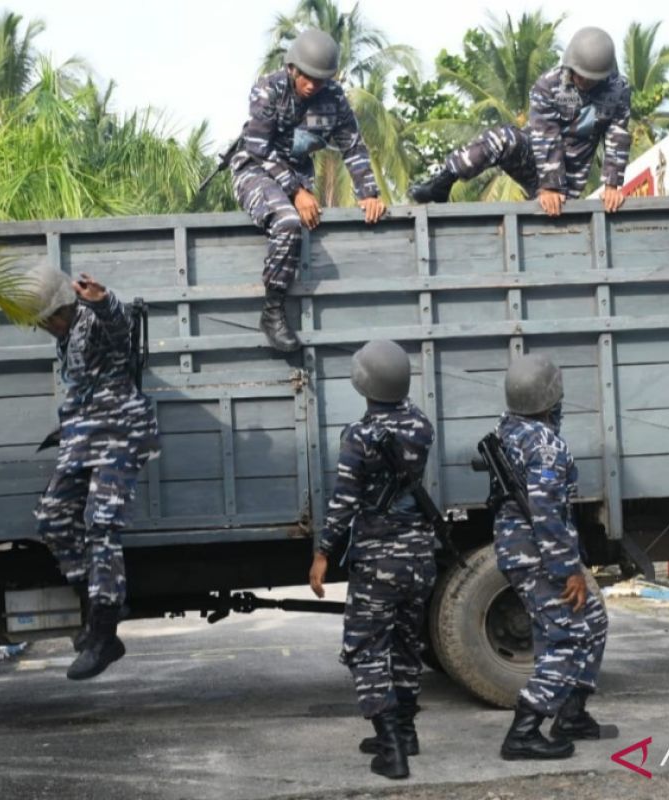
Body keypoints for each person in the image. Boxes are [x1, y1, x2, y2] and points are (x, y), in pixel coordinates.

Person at [309, 340, 435, 780]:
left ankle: (392, 751)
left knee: (365, 647)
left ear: (363, 383)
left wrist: (323, 553)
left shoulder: (359, 436)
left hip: (378, 559)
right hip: (419, 556)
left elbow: (343, 502)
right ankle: (404, 731)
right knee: (405, 644)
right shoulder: (422, 426)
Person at [28, 266, 159, 681]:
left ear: (58, 312)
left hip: (119, 432)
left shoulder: (92, 320)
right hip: (81, 435)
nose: (45, 328)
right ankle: (98, 599)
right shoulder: (65, 334)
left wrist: (103, 302)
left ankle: (103, 631)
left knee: (100, 525)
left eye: (45, 320)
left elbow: (119, 329)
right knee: (52, 519)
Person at [231, 28, 388, 352]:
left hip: (299, 175)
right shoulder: (268, 89)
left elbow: (353, 146)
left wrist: (368, 193)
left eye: (320, 79)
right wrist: (296, 191)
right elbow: (258, 147)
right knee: (288, 222)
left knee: (305, 217)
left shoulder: (333, 98)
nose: (312, 85)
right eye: (307, 78)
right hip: (255, 169)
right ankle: (272, 311)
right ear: (292, 68)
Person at [491, 354, 615, 761]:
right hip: (538, 553)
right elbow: (545, 513)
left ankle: (572, 714)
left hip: (522, 547)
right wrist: (569, 571)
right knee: (568, 636)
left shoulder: (508, 429)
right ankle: (524, 732)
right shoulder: (544, 444)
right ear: (549, 398)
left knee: (592, 621)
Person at [409, 26, 631, 217]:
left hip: (572, 175)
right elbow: (546, 136)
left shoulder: (619, 90)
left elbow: (617, 136)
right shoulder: (548, 85)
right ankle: (443, 181)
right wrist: (549, 186)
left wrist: (612, 185)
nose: (583, 81)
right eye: (579, 75)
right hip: (535, 157)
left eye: (590, 78)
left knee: (557, 219)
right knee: (501, 138)